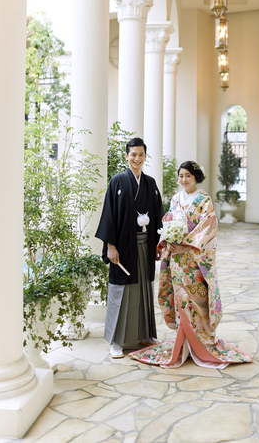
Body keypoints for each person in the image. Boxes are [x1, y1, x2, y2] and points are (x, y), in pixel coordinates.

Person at [129, 161, 252, 368]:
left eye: (188, 176)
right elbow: (167, 221)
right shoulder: (176, 198)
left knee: (197, 298)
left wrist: (187, 246)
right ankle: (183, 344)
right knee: (181, 299)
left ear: (196, 177)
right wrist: (168, 239)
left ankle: (200, 343)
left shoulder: (204, 199)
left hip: (194, 259)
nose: (184, 180)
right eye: (181, 176)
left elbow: (208, 228)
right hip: (176, 258)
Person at [95, 137, 164, 358]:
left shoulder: (150, 183)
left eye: (141, 154)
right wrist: (110, 246)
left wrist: (157, 243)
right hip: (124, 247)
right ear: (127, 156)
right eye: (133, 154)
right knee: (121, 291)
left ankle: (145, 335)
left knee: (144, 289)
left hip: (145, 246)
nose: (137, 158)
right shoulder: (117, 182)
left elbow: (157, 215)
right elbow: (109, 215)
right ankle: (116, 341)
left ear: (145, 156)